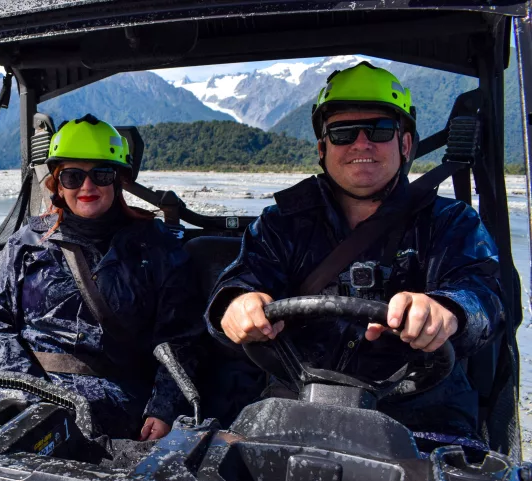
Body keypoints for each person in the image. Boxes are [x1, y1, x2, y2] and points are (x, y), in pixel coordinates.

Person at [206, 62, 504, 444]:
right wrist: (235, 304)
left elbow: (483, 293)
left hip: (423, 418)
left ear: (405, 144)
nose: (361, 143)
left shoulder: (451, 222)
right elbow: (240, 282)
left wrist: (448, 310)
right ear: (322, 148)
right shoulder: (281, 224)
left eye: (379, 130)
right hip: (296, 407)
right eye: (343, 132)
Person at [0, 114, 203, 440]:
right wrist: (25, 387)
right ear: (56, 182)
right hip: (26, 391)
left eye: (101, 174)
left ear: (119, 180)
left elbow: (181, 337)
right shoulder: (28, 241)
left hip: (114, 399)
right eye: (73, 176)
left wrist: (164, 407)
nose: (87, 186)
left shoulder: (157, 245)